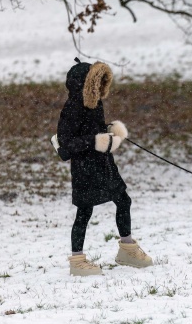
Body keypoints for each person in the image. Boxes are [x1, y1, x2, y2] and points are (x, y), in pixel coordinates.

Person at [55, 58, 153, 276]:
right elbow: (67, 143)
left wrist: (108, 130)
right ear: (85, 84)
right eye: (96, 82)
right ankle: (77, 261)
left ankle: (127, 249)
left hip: (104, 164)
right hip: (85, 168)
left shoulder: (94, 103)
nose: (100, 87)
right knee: (84, 211)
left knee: (123, 200)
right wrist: (95, 141)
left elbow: (92, 128)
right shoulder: (72, 107)